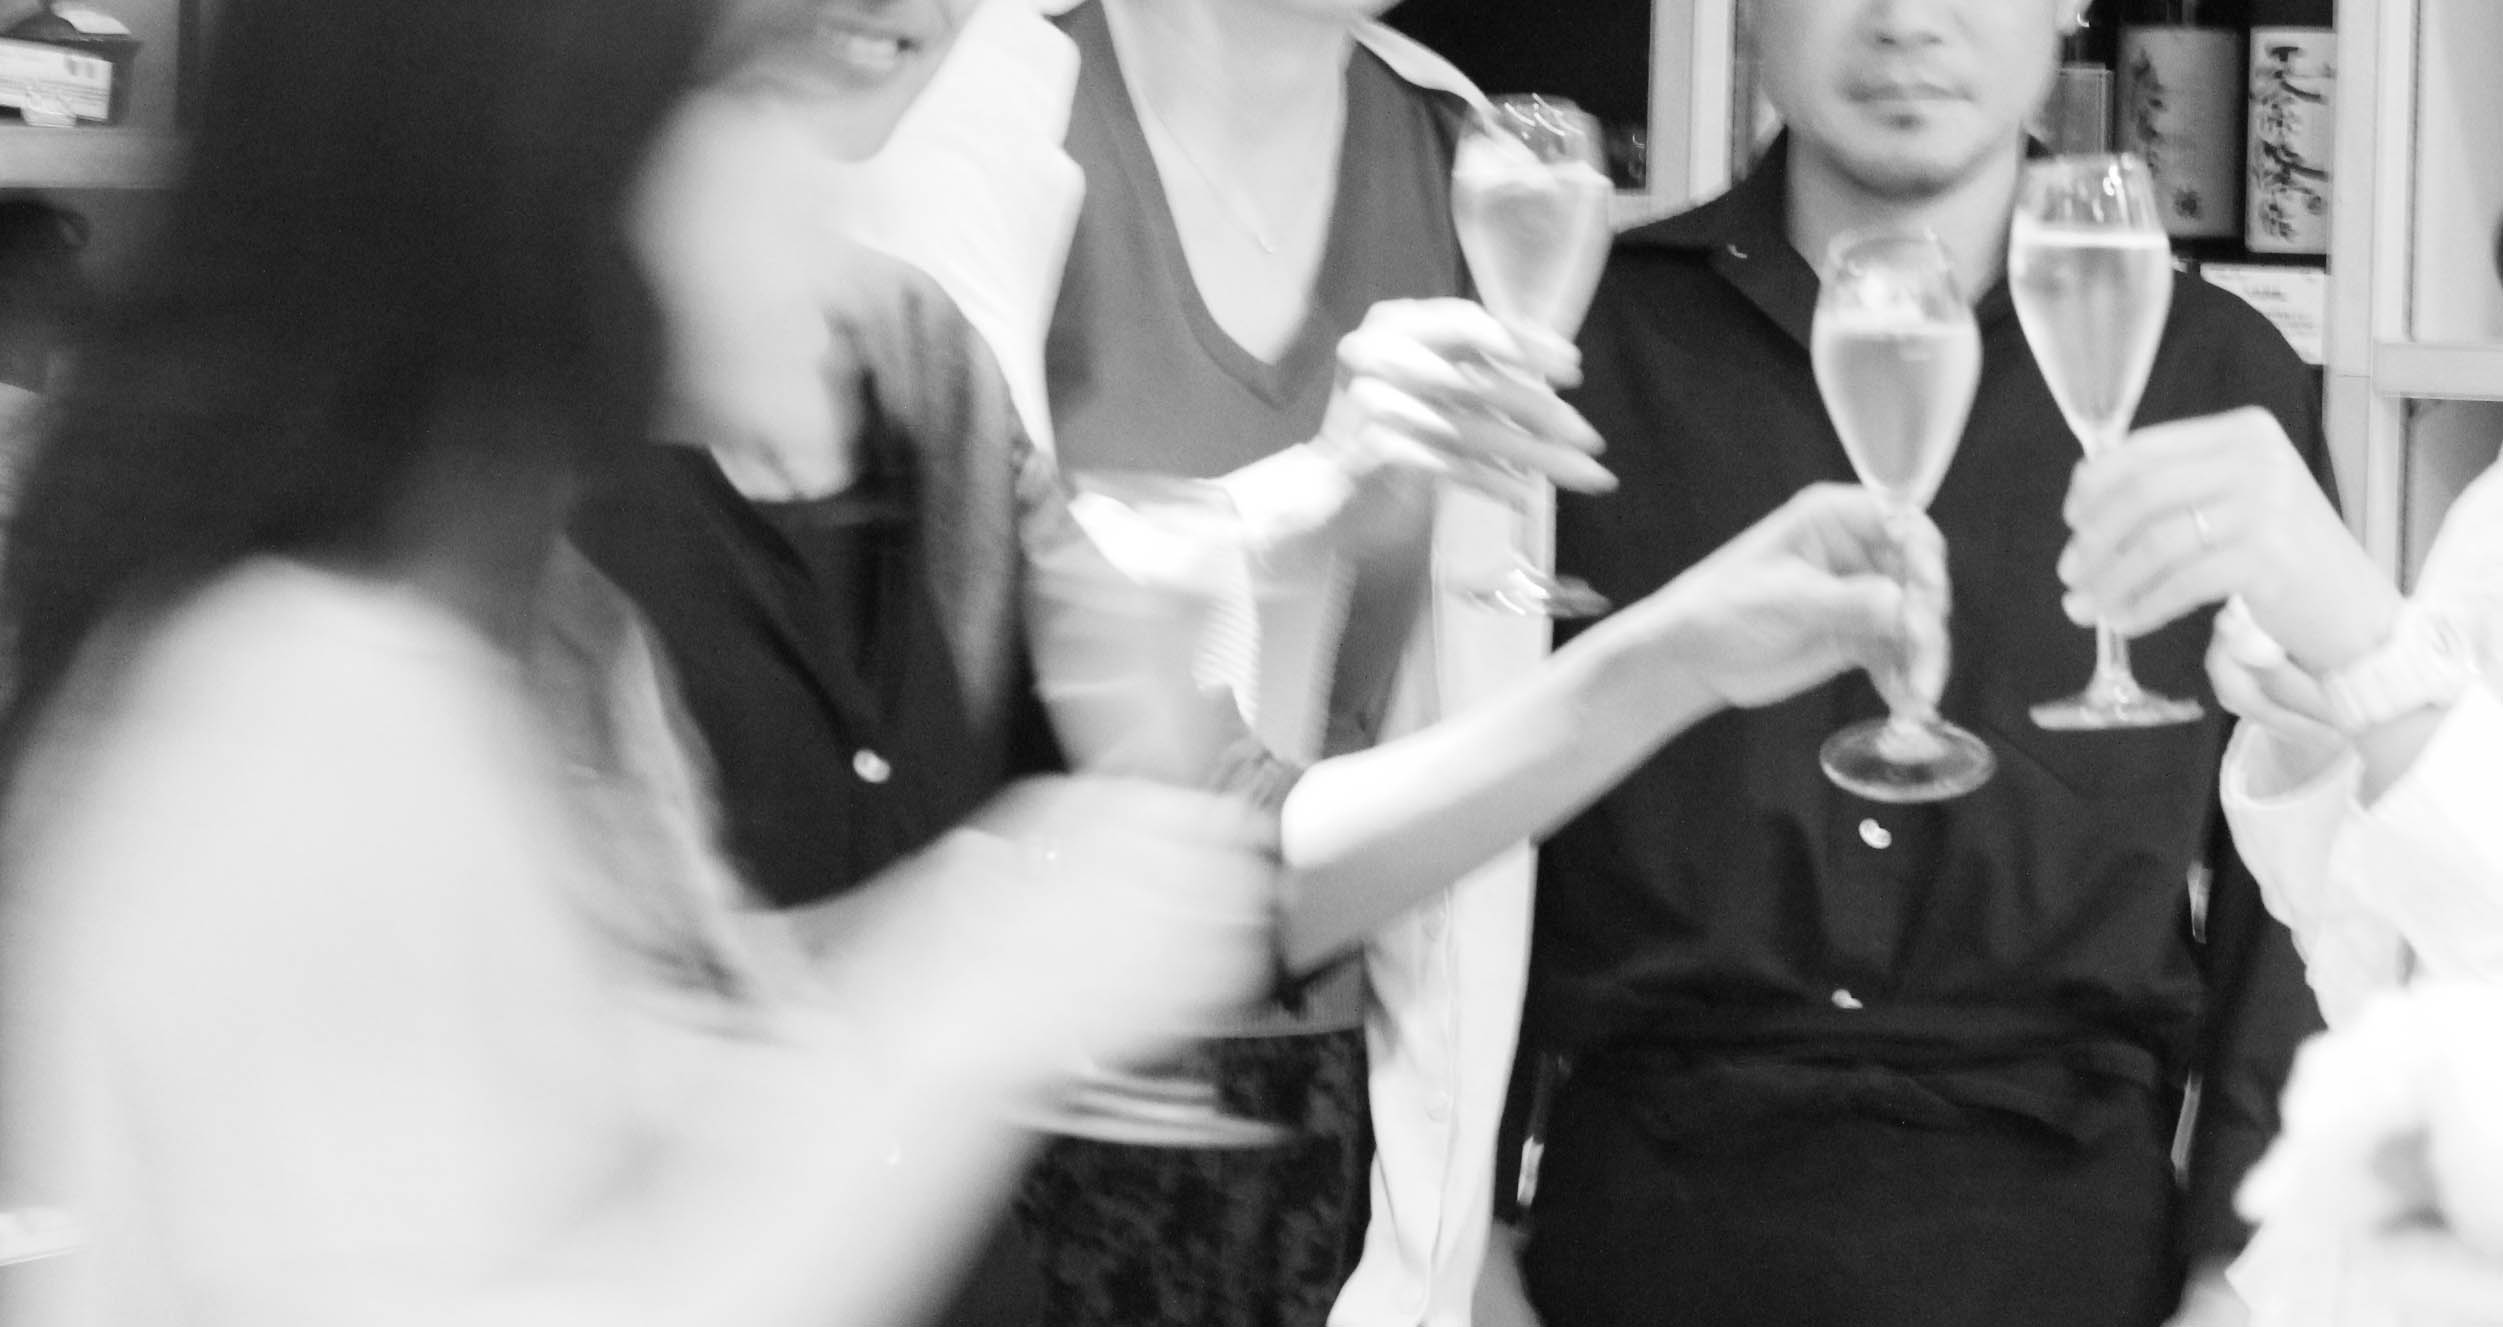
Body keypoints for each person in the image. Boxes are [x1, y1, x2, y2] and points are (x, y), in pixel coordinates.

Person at [0, 0, 1288, 1321]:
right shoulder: (302, 694)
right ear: (556, 151)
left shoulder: (482, 642)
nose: (828, 182)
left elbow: (537, 1143)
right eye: (760, 99)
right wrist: (951, 1020)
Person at [1498, 2, 2332, 1325]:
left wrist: (2243, 1272)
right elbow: (1470, 833)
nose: (1905, 21)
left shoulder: (2216, 371)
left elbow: (2293, 874)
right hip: (1638, 1221)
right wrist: (1470, 1243)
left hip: (2074, 1241)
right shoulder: (1585, 342)